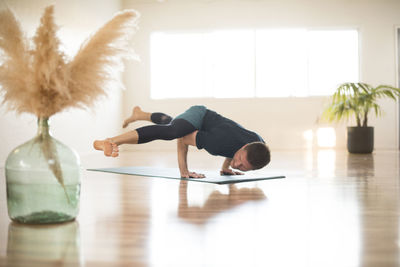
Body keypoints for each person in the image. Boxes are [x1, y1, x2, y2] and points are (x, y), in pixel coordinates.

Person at [93, 105, 270, 178]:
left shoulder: (259, 145)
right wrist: (184, 171)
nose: (237, 164)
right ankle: (107, 141)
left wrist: (226, 168)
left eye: (243, 167)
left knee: (172, 123)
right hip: (201, 115)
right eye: (238, 159)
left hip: (219, 130)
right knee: (173, 130)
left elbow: (234, 150)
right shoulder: (218, 142)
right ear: (245, 146)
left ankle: (140, 114)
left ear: (254, 168)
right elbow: (183, 139)